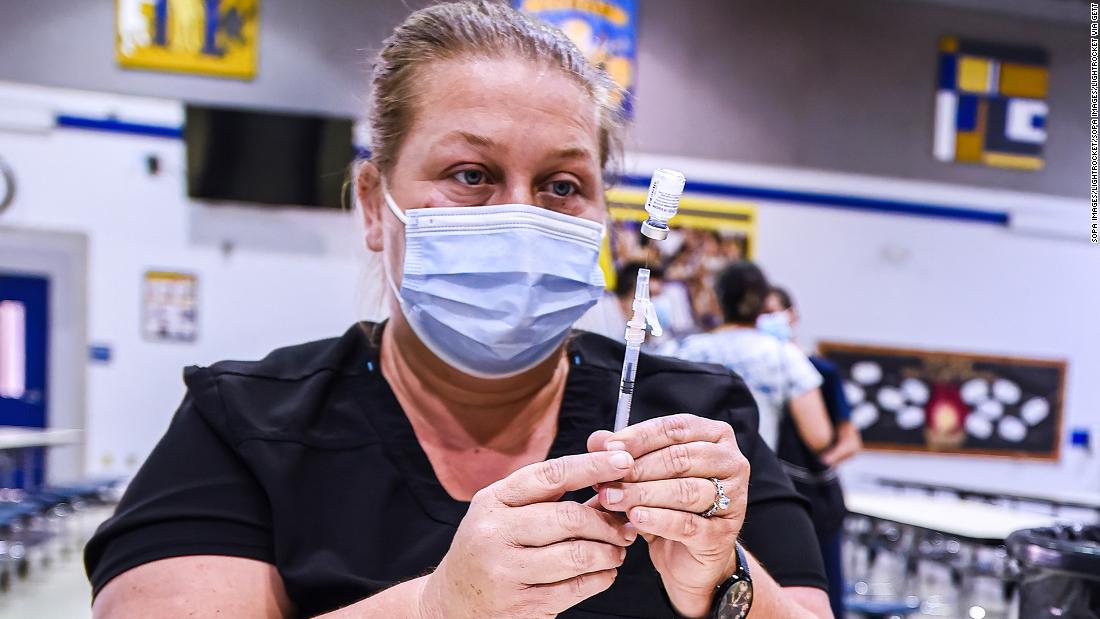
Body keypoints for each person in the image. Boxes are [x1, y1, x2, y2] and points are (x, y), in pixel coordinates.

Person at [84, 3, 832, 618]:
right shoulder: (245, 426)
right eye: (471, 174)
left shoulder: (693, 420)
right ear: (374, 203)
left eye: (563, 185)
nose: (521, 215)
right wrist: (436, 607)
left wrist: (725, 584)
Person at [762, 286, 862, 619]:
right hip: (767, 493)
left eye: (773, 312)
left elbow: (848, 440)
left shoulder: (819, 371)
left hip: (813, 498)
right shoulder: (756, 368)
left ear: (792, 315)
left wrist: (814, 467)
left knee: (819, 592)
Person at [667, 261, 833, 455]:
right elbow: (819, 437)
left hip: (693, 466)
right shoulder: (784, 354)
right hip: (757, 469)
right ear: (764, 302)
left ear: (716, 301)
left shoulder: (685, 350)